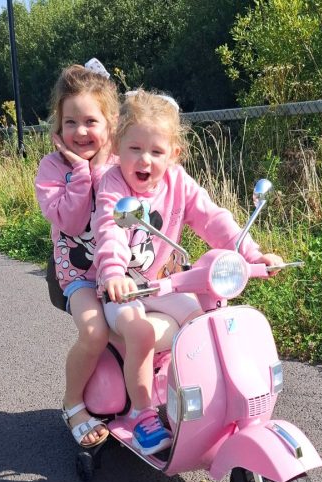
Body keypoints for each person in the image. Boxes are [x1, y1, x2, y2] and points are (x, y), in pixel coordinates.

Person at [92, 89, 284, 456]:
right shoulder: (113, 184)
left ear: (174, 154)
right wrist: (114, 272)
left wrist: (253, 253)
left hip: (163, 285)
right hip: (123, 292)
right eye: (134, 149)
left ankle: (189, 403)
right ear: (117, 147)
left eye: (156, 152)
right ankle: (143, 413)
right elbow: (109, 229)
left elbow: (213, 219)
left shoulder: (178, 182)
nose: (144, 159)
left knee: (201, 325)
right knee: (141, 331)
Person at [35, 59, 119, 448]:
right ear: (58, 126)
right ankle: (73, 403)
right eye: (71, 123)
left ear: (110, 124)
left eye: (90, 122)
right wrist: (82, 171)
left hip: (125, 268)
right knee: (95, 330)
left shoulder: (122, 163)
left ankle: (142, 401)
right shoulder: (52, 170)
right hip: (78, 275)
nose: (80, 131)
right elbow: (69, 221)